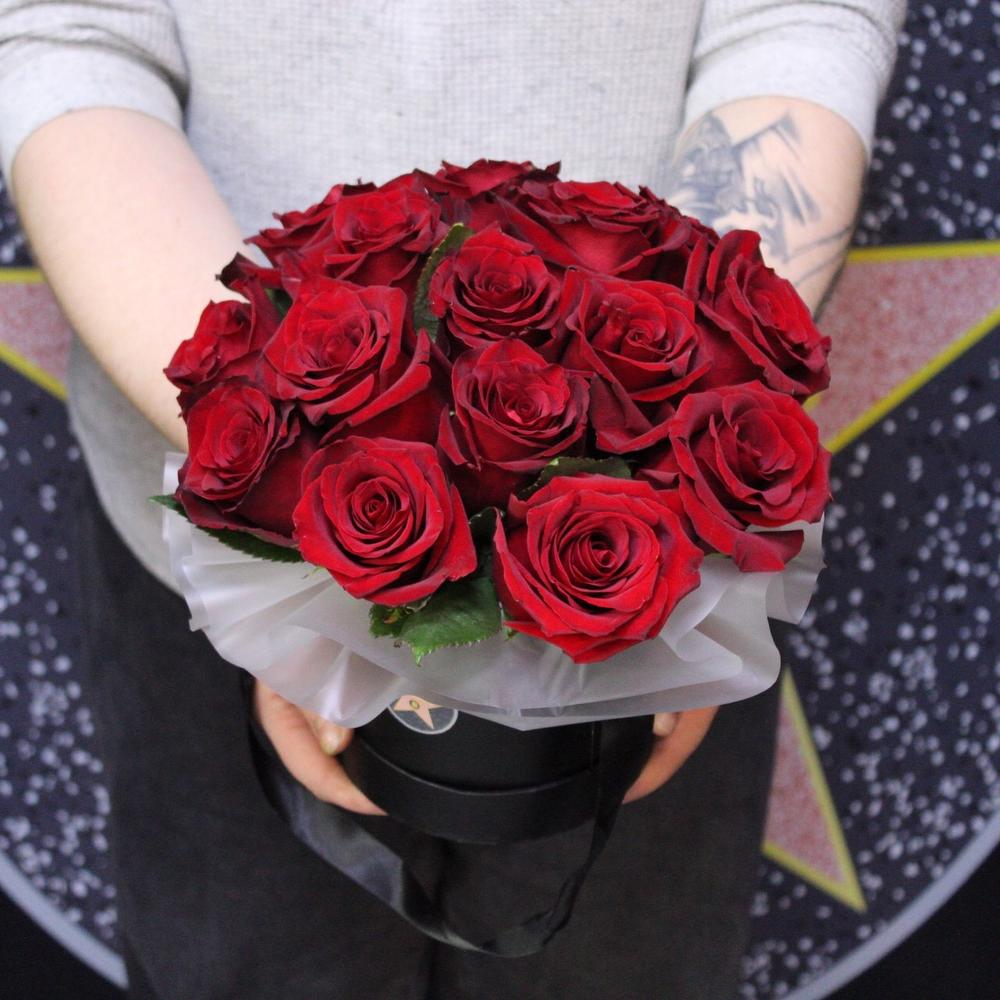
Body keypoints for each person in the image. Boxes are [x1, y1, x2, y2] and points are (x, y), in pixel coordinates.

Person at [0, 2, 904, 997]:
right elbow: (70, 35)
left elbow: (798, 19)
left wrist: (672, 500)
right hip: (202, 548)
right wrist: (286, 502)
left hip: (653, 590)